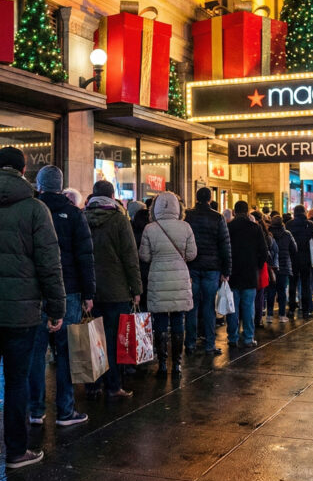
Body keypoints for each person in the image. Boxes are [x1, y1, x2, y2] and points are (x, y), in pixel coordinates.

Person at [0, 146, 65, 470]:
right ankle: (17, 452)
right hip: (21, 314)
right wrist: (56, 307)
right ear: (22, 171)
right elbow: (49, 263)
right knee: (17, 382)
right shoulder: (35, 209)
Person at [30, 166, 93, 427]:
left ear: (39, 184)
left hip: (36, 292)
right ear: (62, 185)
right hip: (70, 290)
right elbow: (85, 256)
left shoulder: (31, 210)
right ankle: (65, 410)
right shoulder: (75, 215)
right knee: (67, 352)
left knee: (35, 353)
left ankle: (35, 410)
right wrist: (89, 293)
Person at [83, 179, 142, 399]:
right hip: (116, 290)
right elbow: (130, 256)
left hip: (88, 289)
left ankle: (92, 384)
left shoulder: (82, 217)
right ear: (112, 195)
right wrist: (136, 288)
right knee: (113, 339)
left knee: (91, 337)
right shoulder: (119, 219)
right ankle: (113, 385)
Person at [139, 192, 197, 376]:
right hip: (180, 278)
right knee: (179, 320)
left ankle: (163, 365)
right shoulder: (186, 227)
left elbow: (145, 256)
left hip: (157, 278)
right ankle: (177, 365)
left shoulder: (150, 228)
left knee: (161, 321)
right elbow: (191, 254)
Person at [183, 187, 231, 355]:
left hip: (192, 266)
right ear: (210, 199)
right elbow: (225, 246)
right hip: (212, 267)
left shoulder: (188, 216)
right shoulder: (217, 217)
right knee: (209, 306)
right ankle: (209, 344)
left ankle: (189, 343)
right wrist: (226, 270)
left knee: (191, 306)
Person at [228, 201, 267, 347]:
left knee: (233, 307)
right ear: (247, 212)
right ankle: (249, 337)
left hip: (232, 273)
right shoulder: (255, 228)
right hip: (250, 273)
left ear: (234, 211)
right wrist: (256, 265)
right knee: (248, 306)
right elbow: (263, 252)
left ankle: (233, 337)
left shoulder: (228, 227)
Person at [286, 205, 313, 319]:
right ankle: (305, 310)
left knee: (292, 283)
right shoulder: (309, 224)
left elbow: (287, 240)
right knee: (305, 284)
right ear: (304, 212)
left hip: (293, 257)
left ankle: (291, 308)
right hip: (306, 257)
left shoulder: (289, 224)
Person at [267, 216, 297, 320]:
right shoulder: (287, 234)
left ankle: (269, 315)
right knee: (282, 291)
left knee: (271, 291)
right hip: (284, 266)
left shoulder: (267, 233)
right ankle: (282, 315)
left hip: (271, 266)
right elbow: (294, 249)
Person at [251, 211, 277, 327]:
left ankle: (255, 318)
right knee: (260, 294)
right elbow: (270, 251)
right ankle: (258, 318)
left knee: (253, 294)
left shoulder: (253, 230)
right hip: (261, 267)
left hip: (254, 266)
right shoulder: (266, 234)